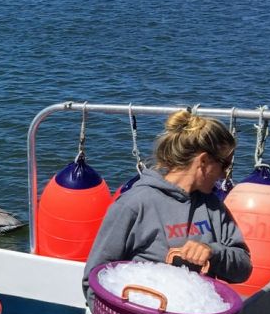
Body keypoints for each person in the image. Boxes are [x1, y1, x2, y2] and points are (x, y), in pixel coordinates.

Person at [83, 110, 252, 292]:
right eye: (224, 165)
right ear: (203, 161)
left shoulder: (213, 207)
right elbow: (93, 280)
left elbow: (243, 269)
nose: (225, 175)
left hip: (198, 307)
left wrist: (213, 252)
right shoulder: (134, 204)